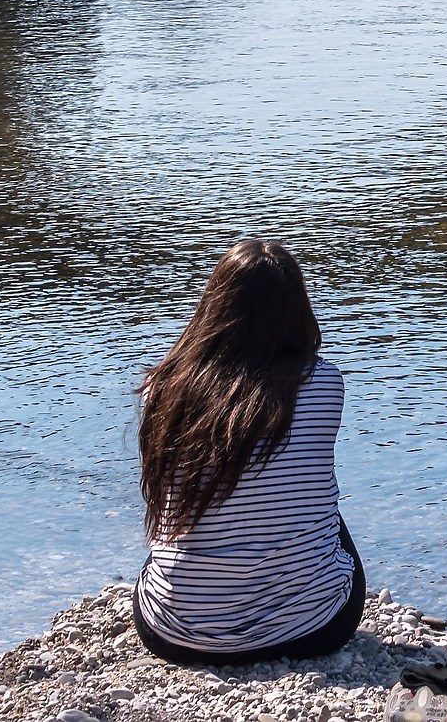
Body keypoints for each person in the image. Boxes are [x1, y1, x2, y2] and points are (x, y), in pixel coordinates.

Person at [131, 239, 366, 665]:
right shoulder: (324, 384)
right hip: (313, 629)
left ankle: (207, 593)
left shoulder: (162, 389)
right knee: (320, 500)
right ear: (298, 311)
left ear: (214, 308)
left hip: (174, 632)